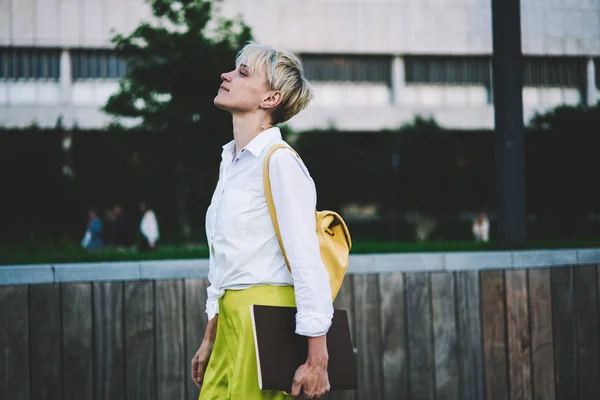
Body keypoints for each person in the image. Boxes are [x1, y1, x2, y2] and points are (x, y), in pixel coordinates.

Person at [191, 42, 333, 400]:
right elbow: (228, 261)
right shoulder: (232, 163)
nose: (227, 75)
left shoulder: (279, 162)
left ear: (270, 98)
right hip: (230, 321)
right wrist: (211, 336)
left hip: (266, 321)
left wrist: (317, 358)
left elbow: (306, 262)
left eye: (243, 72)